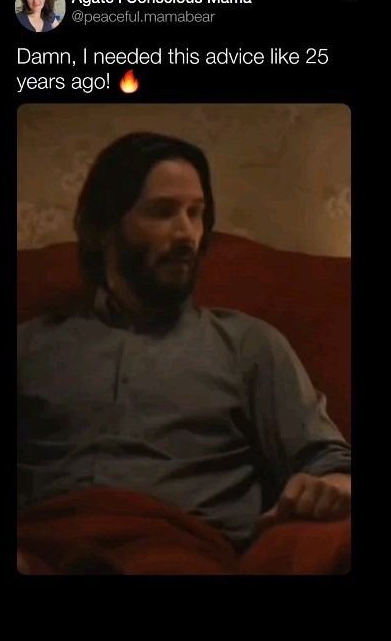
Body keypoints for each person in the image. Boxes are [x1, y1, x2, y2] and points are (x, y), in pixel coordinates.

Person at [17, 132, 351, 574]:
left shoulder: (248, 344)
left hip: (175, 549)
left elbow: (328, 458)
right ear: (103, 228)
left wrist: (332, 484)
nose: (186, 234)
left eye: (196, 214)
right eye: (162, 212)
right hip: (43, 543)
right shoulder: (32, 346)